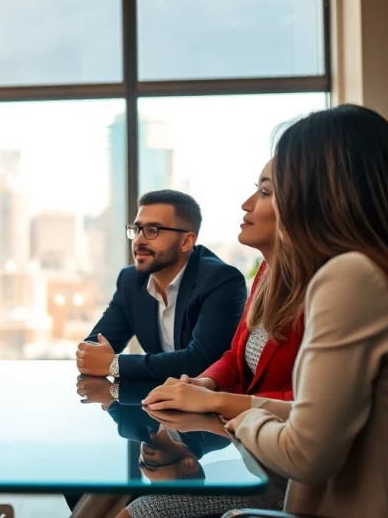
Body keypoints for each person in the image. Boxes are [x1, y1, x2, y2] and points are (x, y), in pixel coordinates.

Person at [219, 104, 388, 518]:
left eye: (279, 189)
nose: (273, 203)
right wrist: (238, 408)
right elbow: (331, 417)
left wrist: (245, 422)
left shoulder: (351, 277)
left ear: (318, 191)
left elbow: (306, 455)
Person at [112, 159, 301, 517]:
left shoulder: (316, 291)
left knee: (134, 511)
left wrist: (215, 402)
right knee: (112, 497)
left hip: (285, 475)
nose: (246, 203)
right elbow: (235, 354)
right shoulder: (267, 272)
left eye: (263, 192)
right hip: (253, 450)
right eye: (138, 229)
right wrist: (205, 382)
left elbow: (312, 405)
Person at [76, 190, 247, 381]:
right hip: (158, 400)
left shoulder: (221, 280)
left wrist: (115, 365)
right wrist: (95, 359)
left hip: (211, 404)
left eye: (152, 230)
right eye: (137, 229)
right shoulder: (131, 280)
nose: (139, 240)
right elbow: (93, 349)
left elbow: (202, 361)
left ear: (186, 241)